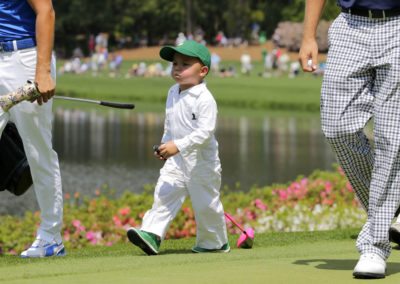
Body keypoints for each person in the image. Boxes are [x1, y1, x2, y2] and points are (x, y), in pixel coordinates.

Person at [299, 0, 400, 279]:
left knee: (390, 139)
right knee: (337, 127)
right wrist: (308, 35)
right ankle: (394, 206)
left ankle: (375, 247)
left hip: (398, 26)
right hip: (350, 25)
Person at [127, 40, 229, 255]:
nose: (177, 68)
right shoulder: (173, 91)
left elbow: (205, 132)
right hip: (176, 160)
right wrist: (165, 147)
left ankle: (215, 243)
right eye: (175, 64)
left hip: (202, 163)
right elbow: (170, 124)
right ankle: (151, 234)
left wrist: (178, 146)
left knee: (205, 206)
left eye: (185, 64)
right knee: (164, 194)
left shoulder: (205, 98)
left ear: (203, 71)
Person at [0, 0, 64, 257]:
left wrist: (43, 70)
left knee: (38, 152)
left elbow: (45, 11)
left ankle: (51, 237)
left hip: (24, 58)